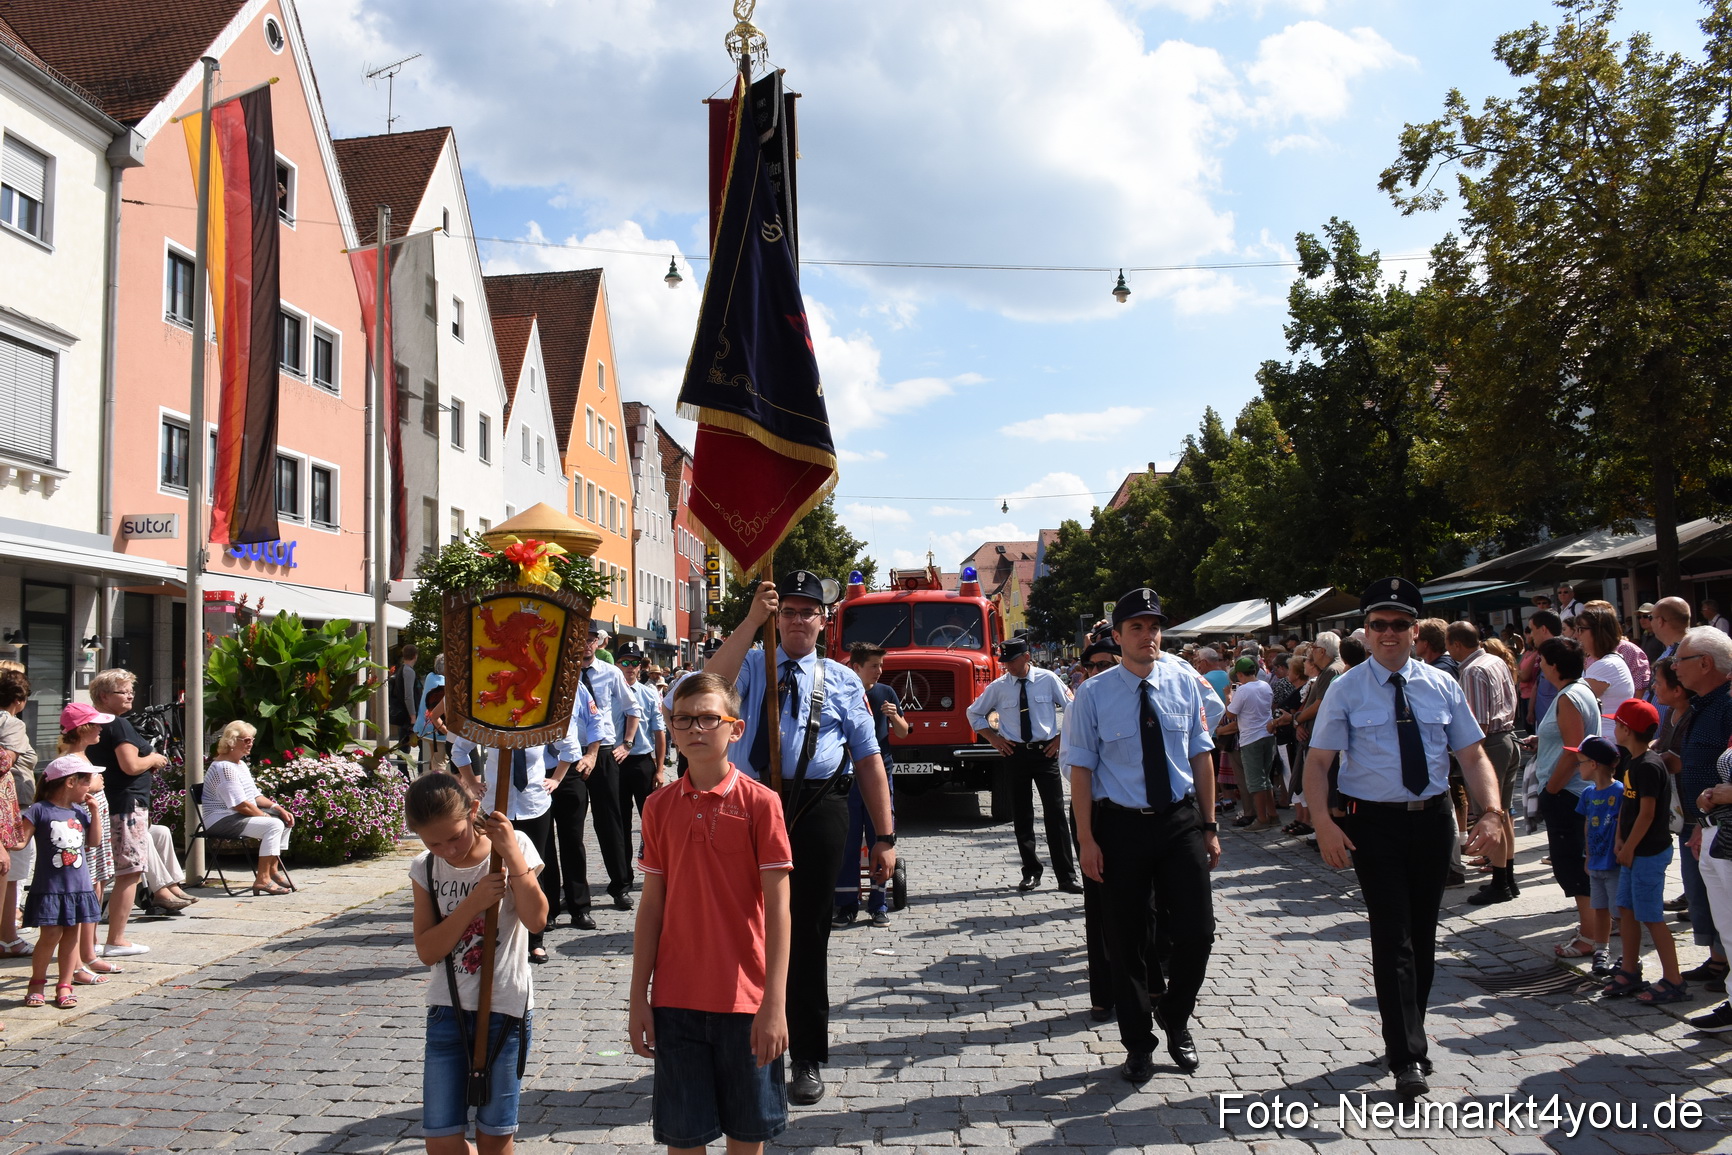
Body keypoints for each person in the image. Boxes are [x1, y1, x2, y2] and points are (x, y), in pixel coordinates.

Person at [1304, 578, 1506, 1103]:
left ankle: (1406, 1029)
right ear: (1365, 632)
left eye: (1398, 624)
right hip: (1374, 824)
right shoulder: (1346, 689)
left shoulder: (1442, 685)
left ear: (1415, 631)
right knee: (1392, 934)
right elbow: (1319, 763)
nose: (1388, 633)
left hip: (1433, 819)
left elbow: (1473, 756)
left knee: (1422, 934)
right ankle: (1407, 1055)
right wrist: (1325, 823)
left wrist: (1491, 812)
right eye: (1378, 625)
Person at [706, 571, 895, 1106]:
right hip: (748, 803)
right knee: (742, 928)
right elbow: (708, 681)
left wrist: (884, 835)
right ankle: (743, 1042)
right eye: (786, 611)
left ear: (822, 620)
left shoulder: (840, 680)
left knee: (808, 935)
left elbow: (868, 760)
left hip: (818, 808)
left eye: (806, 612)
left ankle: (806, 1054)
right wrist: (750, 621)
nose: (796, 620)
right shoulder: (750, 665)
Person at [629, 672, 793, 1154]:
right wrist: (639, 995)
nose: (696, 729)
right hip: (676, 1002)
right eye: (684, 720)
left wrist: (775, 1004)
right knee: (684, 1139)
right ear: (671, 729)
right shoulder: (658, 807)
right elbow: (652, 906)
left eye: (708, 718)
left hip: (747, 1002)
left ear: (734, 729)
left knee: (747, 1139)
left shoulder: (762, 804)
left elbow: (780, 910)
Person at [1066, 587, 1219, 1083]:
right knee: (1125, 940)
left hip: (1178, 820)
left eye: (1154, 627)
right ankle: (1138, 1042)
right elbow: (1082, 772)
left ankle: (1175, 1015)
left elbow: (1201, 754)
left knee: (1197, 931)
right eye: (1137, 627)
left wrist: (1211, 825)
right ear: (1117, 635)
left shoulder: (1184, 681)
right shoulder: (1093, 694)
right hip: (1120, 826)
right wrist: (1086, 840)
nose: (1148, 636)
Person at [407, 773, 546, 1155]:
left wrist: (512, 858)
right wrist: (472, 904)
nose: (447, 850)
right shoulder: (426, 868)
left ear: (472, 812)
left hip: (505, 1008)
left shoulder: (514, 847)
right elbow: (427, 950)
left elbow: (536, 920)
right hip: (446, 1011)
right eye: (433, 842)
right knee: (442, 1141)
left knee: (495, 1137)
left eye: (454, 837)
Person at [1589, 701, 1688, 1005]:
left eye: (1616, 724)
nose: (1613, 728)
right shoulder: (1632, 761)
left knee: (1651, 916)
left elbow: (1646, 814)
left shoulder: (1648, 765)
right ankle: (1630, 970)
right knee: (1626, 910)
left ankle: (1674, 979)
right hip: (1631, 850)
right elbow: (1627, 810)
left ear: (1626, 729)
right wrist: (1620, 839)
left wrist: (1629, 847)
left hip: (1647, 852)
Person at [967, 637, 1079, 893]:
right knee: (1022, 815)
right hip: (1015, 754)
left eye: (1012, 661)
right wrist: (993, 739)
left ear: (1026, 657)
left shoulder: (1048, 679)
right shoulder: (999, 686)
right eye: (1004, 662)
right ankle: (1030, 871)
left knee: (1055, 814)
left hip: (1045, 752)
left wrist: (1062, 738)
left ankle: (1066, 876)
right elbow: (973, 712)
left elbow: (1073, 708)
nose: (1007, 666)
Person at [549, 627, 639, 925]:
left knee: (609, 819)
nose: (585, 646)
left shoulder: (610, 672)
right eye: (579, 640)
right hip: (565, 755)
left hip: (602, 753)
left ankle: (620, 885)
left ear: (597, 643)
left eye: (590, 640)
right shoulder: (561, 673)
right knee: (568, 827)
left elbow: (632, 707)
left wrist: (627, 743)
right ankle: (568, 893)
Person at [85, 669, 168, 958]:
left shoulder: (92, 723)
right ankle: (116, 939)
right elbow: (131, 765)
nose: (130, 695)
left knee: (99, 874)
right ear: (104, 696)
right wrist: (154, 758)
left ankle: (90, 941)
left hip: (103, 804)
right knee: (129, 871)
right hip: (125, 805)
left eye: (131, 690)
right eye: (123, 691)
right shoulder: (117, 724)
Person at [1064, 636, 1123, 1023]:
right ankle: (1104, 994)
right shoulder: (1083, 699)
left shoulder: (1159, 683)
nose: (1098, 673)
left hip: (1149, 812)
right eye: (1092, 667)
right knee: (1100, 906)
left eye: (1106, 664)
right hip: (1097, 808)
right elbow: (1072, 766)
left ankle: (1152, 980)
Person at [1673, 626, 1732, 994]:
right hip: (1705, 821)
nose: (1674, 666)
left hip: (1723, 826)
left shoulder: (1727, 704)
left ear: (1706, 663)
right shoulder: (1705, 703)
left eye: (1681, 659)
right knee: (1713, 903)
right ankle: (1720, 964)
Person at [834, 643, 909, 928]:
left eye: (880, 665)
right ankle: (846, 905)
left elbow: (902, 732)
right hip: (846, 778)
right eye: (873, 666)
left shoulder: (885, 693)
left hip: (880, 775)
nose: (879, 671)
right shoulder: (841, 693)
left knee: (881, 836)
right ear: (856, 667)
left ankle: (878, 904)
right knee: (848, 840)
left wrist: (894, 716)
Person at [1448, 622, 1523, 906]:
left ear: (1456, 644)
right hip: (1507, 737)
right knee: (1503, 814)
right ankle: (1508, 879)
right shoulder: (1494, 660)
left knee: (1490, 814)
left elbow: (1477, 723)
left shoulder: (1472, 670)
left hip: (1490, 744)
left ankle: (1501, 881)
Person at [20, 756, 102, 1011]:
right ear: (70, 782)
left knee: (71, 938)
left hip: (78, 888)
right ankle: (36, 984)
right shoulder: (40, 810)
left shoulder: (79, 811)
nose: (89, 787)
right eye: (86, 782)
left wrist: (95, 812)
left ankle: (64, 985)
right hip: (50, 889)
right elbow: (20, 841)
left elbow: (94, 841)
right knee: (51, 936)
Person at [202, 722, 296, 896]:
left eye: (251, 739)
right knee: (273, 825)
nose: (250, 743)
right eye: (246, 739)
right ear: (231, 741)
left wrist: (278, 808)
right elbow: (241, 805)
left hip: (235, 816)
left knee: (284, 819)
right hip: (220, 819)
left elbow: (255, 796)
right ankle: (262, 880)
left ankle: (272, 870)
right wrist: (265, 817)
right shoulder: (224, 768)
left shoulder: (240, 765)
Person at [1573, 736, 1623, 975]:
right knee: (1600, 908)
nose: (1577, 766)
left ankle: (1626, 954)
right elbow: (1587, 825)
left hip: (1613, 863)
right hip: (1595, 862)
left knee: (1620, 912)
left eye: (1580, 762)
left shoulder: (1620, 791)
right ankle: (1601, 950)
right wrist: (1587, 855)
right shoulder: (1588, 794)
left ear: (1593, 764)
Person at [616, 644, 668, 860]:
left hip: (642, 762)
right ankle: (623, 875)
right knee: (620, 821)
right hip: (616, 762)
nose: (630, 667)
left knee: (650, 819)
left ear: (640, 666)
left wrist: (660, 769)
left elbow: (659, 732)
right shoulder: (610, 691)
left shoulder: (649, 694)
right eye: (625, 662)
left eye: (635, 662)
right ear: (617, 665)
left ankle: (654, 863)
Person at [1217, 657, 1276, 832]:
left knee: (1255, 781)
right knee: (1266, 779)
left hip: (1251, 737)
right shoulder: (1265, 686)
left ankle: (1262, 818)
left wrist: (1228, 696)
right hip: (1267, 735)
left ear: (1240, 674)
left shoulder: (1243, 690)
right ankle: (1272, 815)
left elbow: (1230, 714)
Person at [0, 670, 36, 958]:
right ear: (20, 700)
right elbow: (3, 763)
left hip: (14, 806)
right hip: (10, 808)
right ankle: (8, 937)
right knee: (12, 875)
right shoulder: (11, 724)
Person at [1579, 605, 1636, 716]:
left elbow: (1573, 704)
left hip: (1606, 732)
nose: (1577, 635)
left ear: (1598, 632)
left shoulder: (1606, 665)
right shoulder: (1608, 661)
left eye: (1581, 629)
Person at [415, 654, 449, 776]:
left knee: (434, 758)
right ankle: (437, 788)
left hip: (425, 728)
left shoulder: (430, 677)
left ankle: (429, 782)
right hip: (438, 729)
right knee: (440, 762)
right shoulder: (444, 684)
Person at [391, 642, 422, 766]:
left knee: (404, 746)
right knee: (421, 745)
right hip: (409, 717)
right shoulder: (408, 671)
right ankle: (418, 772)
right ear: (415, 656)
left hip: (404, 715)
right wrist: (413, 716)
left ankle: (404, 775)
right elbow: (408, 695)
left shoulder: (402, 670)